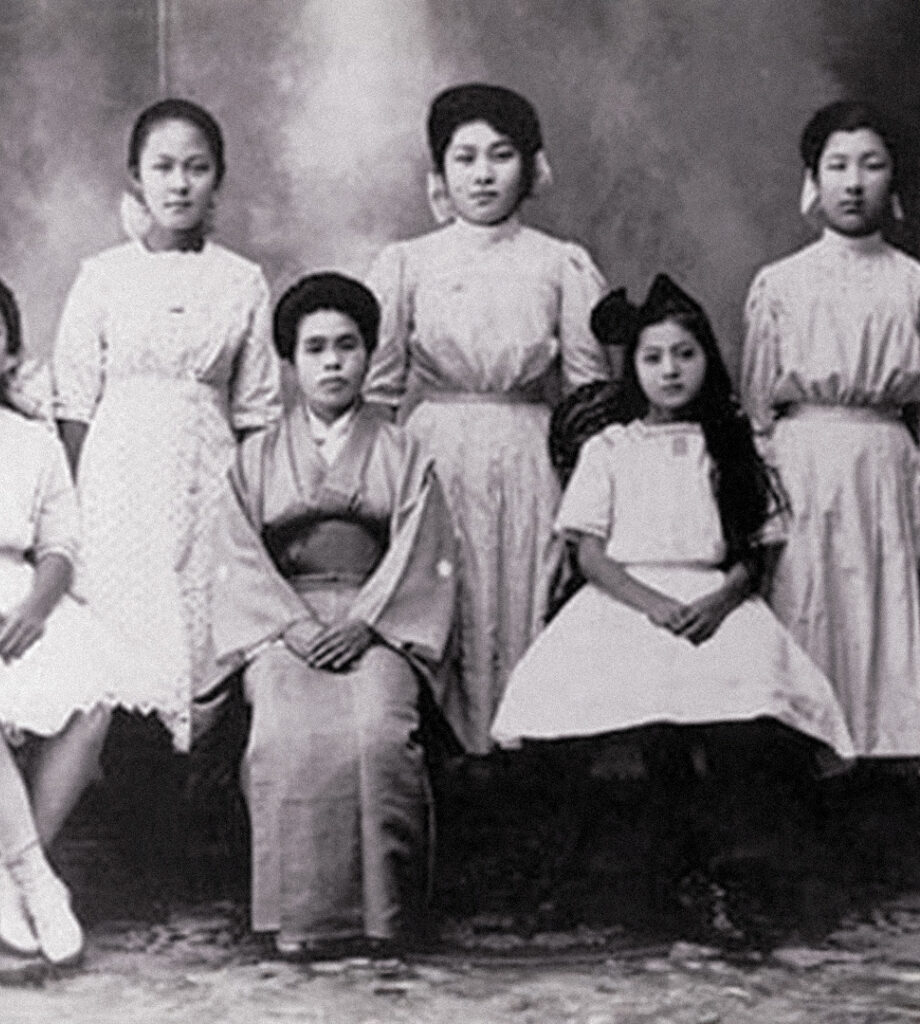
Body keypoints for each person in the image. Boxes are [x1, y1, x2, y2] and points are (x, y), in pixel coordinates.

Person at [0, 270, 169, 965]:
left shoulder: (33, 441)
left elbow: (59, 545)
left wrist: (34, 609)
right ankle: (38, 881)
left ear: (12, 351)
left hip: (20, 600)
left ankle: (9, 872)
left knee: (95, 697)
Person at [492, 274, 853, 760]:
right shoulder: (612, 448)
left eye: (686, 354)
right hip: (622, 598)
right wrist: (653, 605)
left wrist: (719, 602)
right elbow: (592, 556)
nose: (670, 371)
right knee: (577, 694)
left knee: (756, 695)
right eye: (653, 358)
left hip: (713, 598)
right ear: (634, 368)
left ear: (708, 359)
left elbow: (753, 552)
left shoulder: (735, 448)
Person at [210, 272, 457, 956]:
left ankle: (387, 917)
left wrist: (368, 622)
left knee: (378, 734)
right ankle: (300, 921)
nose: (332, 362)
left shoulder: (403, 449)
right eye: (314, 348)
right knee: (284, 735)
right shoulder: (256, 454)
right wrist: (291, 626)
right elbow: (235, 557)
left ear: (369, 355)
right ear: (288, 362)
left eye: (347, 346)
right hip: (285, 621)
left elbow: (424, 553)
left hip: (378, 618)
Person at [365, 83, 611, 753]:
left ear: (530, 167)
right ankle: (446, 775)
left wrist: (590, 503)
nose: (481, 173)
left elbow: (590, 400)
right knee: (444, 610)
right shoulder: (408, 263)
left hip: (531, 455)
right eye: (464, 157)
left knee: (524, 603)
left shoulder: (560, 264)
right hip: (434, 459)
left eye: (500, 155)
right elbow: (380, 394)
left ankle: (520, 774)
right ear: (439, 172)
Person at [52, 98, 281, 750]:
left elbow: (258, 410)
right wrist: (72, 515)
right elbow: (74, 404)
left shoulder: (241, 280)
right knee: (127, 624)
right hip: (119, 475)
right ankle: (130, 785)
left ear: (217, 178)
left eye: (197, 168)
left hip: (209, 471)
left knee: (203, 626)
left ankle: (199, 792)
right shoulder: (102, 277)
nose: (179, 184)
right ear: (136, 177)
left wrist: (255, 511)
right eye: (163, 167)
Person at [741, 101, 920, 757]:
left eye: (871, 166)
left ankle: (888, 757)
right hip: (803, 463)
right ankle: (810, 753)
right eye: (838, 166)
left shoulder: (913, 284)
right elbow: (759, 406)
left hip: (888, 464)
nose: (854, 183)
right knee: (811, 601)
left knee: (886, 599)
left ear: (892, 178)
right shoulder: (781, 284)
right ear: (814, 179)